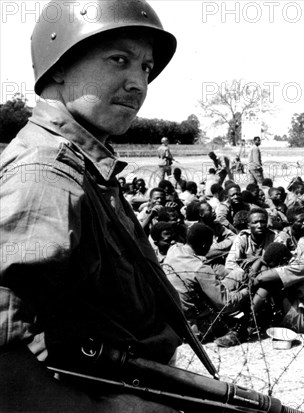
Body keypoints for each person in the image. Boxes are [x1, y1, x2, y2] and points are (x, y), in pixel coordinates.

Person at [0, 1, 220, 411]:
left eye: (146, 68)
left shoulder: (84, 163)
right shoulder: (48, 173)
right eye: (120, 60)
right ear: (59, 67)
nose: (138, 82)